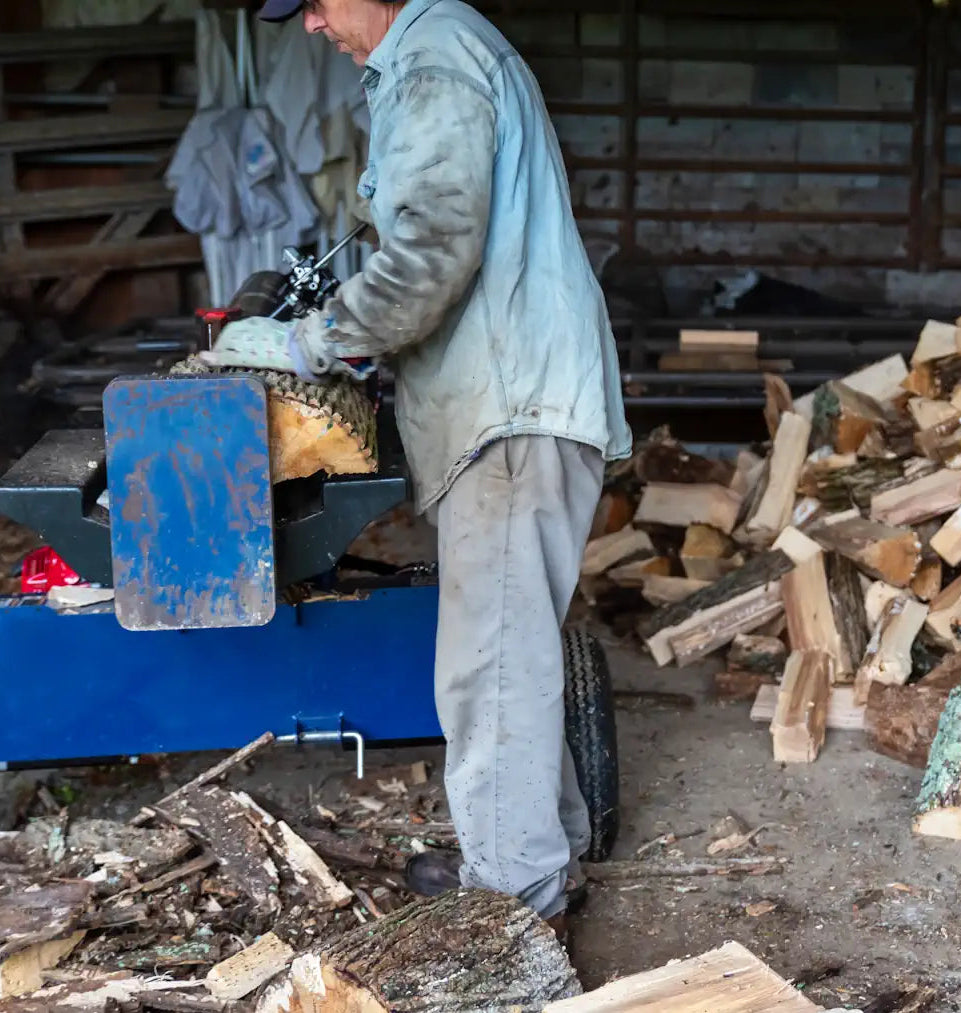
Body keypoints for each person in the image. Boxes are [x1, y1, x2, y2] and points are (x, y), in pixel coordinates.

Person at [206, 0, 632, 938]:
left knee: (488, 665)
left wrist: (307, 343)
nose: (311, 27)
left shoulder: (433, 58)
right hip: (512, 400)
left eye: (313, 3)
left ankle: (510, 908)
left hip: (511, 408)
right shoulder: (437, 52)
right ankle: (536, 857)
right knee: (508, 650)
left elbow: (431, 253)